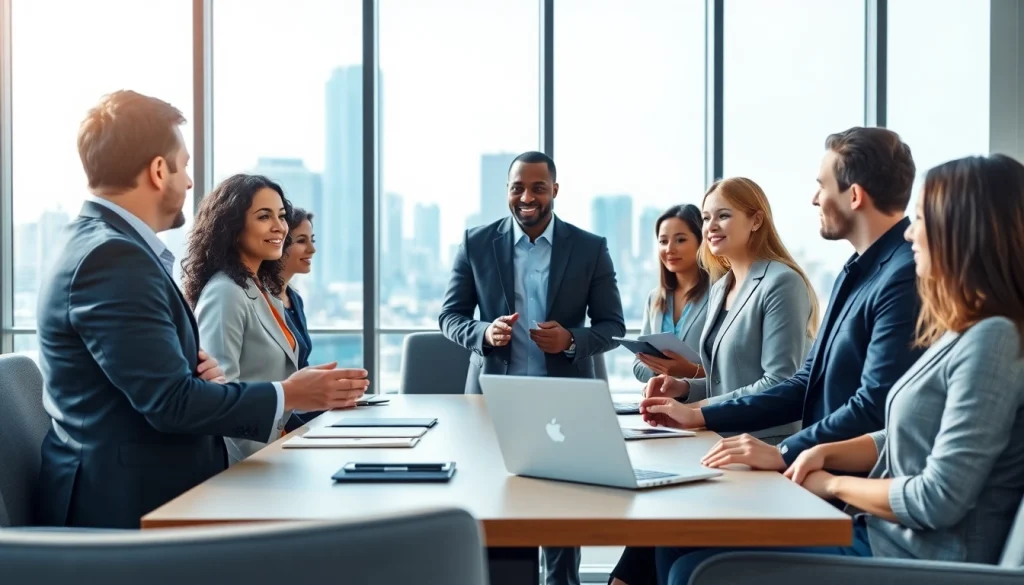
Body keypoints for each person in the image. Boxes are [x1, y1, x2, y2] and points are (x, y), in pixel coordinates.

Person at [662, 153, 1024, 584]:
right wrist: (823, 452)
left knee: (694, 567)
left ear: (962, 231)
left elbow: (938, 498)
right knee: (678, 544)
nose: (911, 234)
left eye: (923, 219)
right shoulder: (963, 331)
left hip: (918, 557)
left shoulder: (994, 338)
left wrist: (831, 483)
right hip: (883, 535)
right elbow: (909, 431)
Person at [35, 90, 369, 529]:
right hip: (137, 501)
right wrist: (292, 393)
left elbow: (153, 383)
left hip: (155, 479)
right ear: (159, 170)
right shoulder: (114, 258)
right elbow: (170, 404)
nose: (190, 182)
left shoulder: (94, 243)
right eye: (185, 165)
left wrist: (195, 377)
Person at [614, 127, 922, 585]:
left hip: (840, 488)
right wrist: (695, 410)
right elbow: (806, 382)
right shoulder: (854, 272)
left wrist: (784, 451)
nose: (814, 198)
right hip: (805, 466)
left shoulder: (898, 274)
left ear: (854, 195)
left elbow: (872, 405)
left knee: (678, 548)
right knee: (667, 539)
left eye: (821, 184)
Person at [438, 150, 626, 585]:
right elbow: (450, 317)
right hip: (492, 402)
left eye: (538, 187)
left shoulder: (589, 248)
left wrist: (571, 339)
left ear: (554, 191)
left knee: (561, 525)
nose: (527, 196)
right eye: (517, 187)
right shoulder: (476, 242)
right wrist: (484, 333)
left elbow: (613, 326)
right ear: (507, 191)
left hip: (563, 403)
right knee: (498, 518)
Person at [182, 174, 301, 465]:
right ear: (233, 227)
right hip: (247, 464)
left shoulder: (262, 290)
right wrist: (259, 467)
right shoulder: (225, 293)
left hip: (277, 448)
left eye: (282, 216)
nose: (280, 227)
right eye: (264, 216)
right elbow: (221, 399)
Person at [632, 204, 710, 383]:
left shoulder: (719, 295)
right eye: (663, 241)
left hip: (704, 404)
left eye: (680, 240)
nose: (669, 249)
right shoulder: (655, 298)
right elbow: (637, 365)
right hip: (661, 403)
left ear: (701, 241)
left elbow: (728, 370)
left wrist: (687, 370)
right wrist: (662, 367)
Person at [279, 207, 316, 369]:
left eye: (312, 240)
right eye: (301, 241)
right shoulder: (257, 298)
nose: (312, 249)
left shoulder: (294, 299)